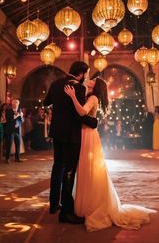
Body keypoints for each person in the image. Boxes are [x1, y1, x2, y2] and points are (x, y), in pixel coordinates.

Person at [64, 77, 155, 232]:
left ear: (96, 85)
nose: (89, 80)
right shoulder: (92, 97)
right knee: (88, 170)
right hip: (89, 135)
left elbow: (82, 112)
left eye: (92, 80)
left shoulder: (92, 98)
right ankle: (88, 203)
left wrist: (72, 97)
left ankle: (90, 205)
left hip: (88, 136)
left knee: (89, 170)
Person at [44, 61, 98, 224]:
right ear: (81, 74)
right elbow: (78, 114)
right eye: (86, 74)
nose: (86, 78)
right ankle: (66, 211)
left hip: (57, 133)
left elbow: (46, 103)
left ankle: (54, 204)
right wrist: (93, 122)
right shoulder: (79, 88)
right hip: (71, 135)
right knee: (69, 171)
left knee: (57, 166)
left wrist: (57, 109)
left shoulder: (55, 83)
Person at [5, 98, 24, 164]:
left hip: (17, 130)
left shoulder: (19, 110)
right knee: (9, 144)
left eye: (17, 103)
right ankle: (7, 158)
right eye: (15, 103)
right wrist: (15, 116)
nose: (16, 104)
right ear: (12, 104)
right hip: (10, 130)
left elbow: (22, 121)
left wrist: (21, 116)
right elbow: (8, 120)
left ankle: (17, 158)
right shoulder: (8, 110)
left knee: (18, 144)